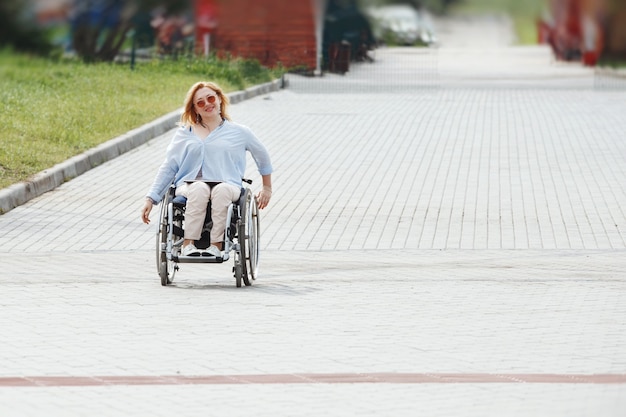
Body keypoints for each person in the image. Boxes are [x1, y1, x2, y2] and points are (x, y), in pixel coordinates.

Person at [141, 81, 273, 257]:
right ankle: (188, 245)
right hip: (190, 184)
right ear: (195, 108)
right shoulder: (184, 133)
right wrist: (151, 199)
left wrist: (267, 187)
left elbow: (262, 156)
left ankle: (217, 246)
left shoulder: (240, 132)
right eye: (200, 102)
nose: (207, 104)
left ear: (219, 99)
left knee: (222, 190)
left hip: (228, 183)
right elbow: (169, 166)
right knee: (199, 188)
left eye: (210, 98)